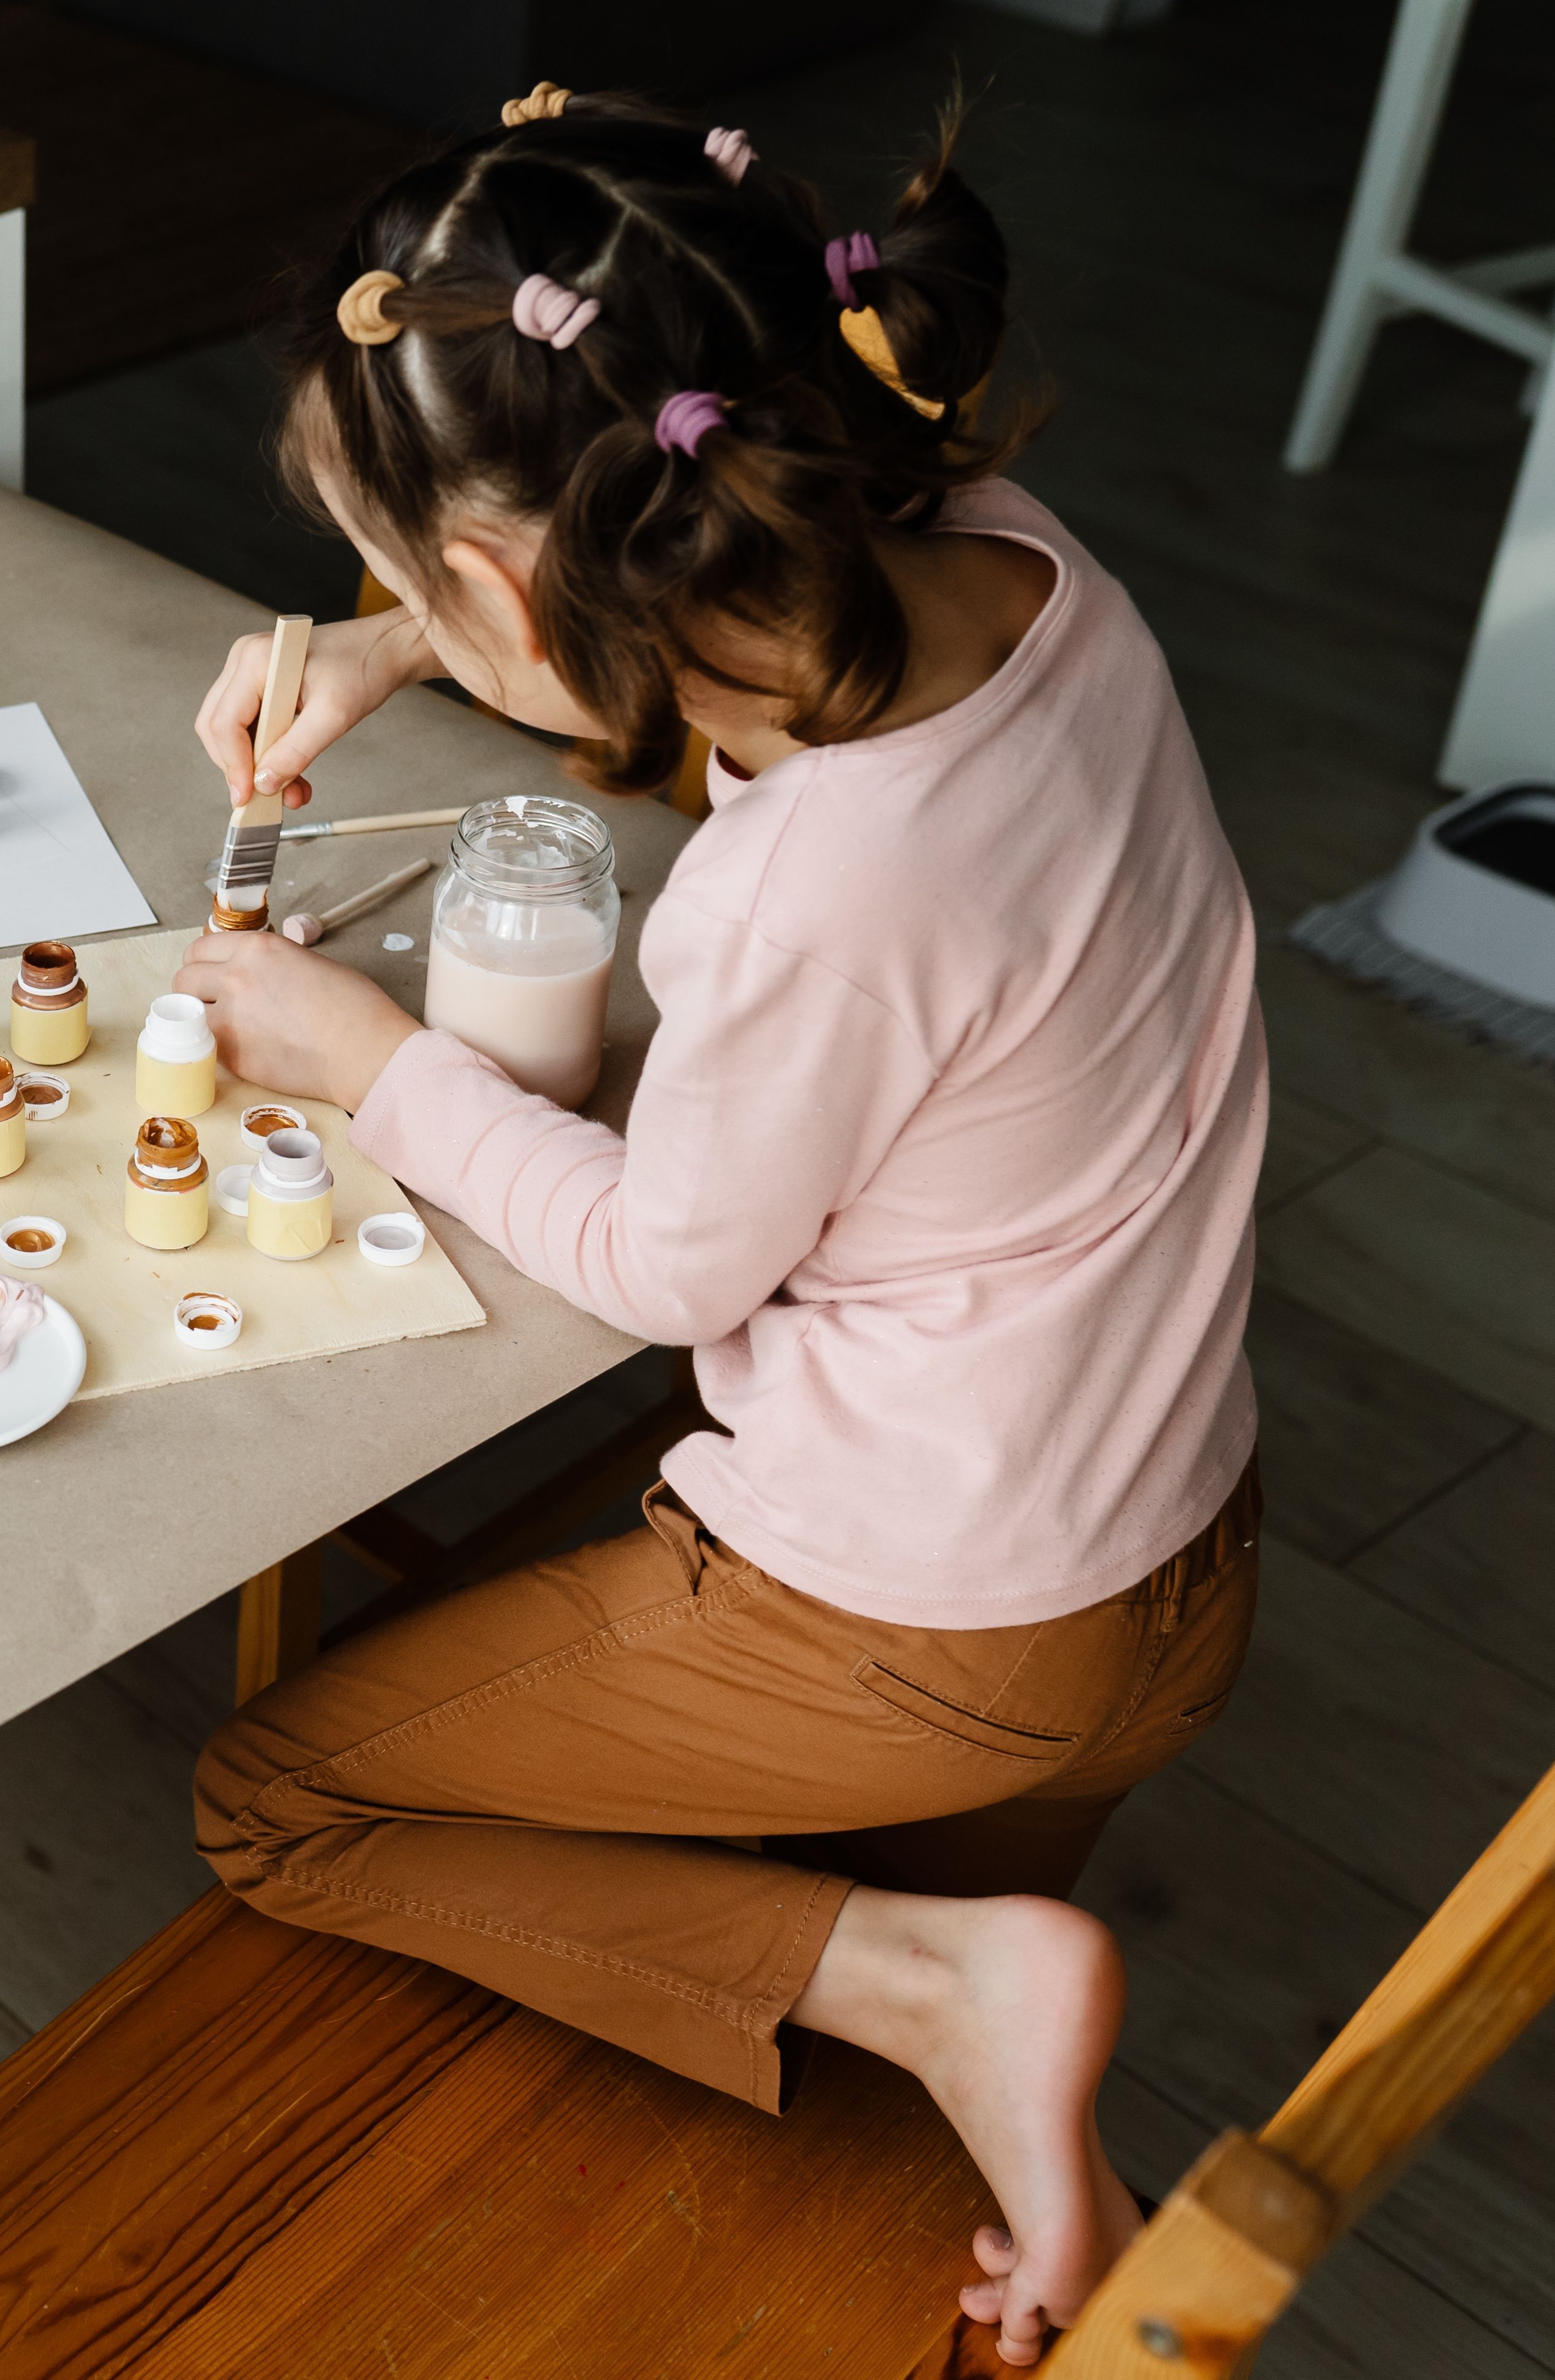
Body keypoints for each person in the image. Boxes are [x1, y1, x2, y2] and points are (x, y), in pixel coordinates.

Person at [174, 89, 1264, 2367]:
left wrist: (367, 1060)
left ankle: (932, 1979)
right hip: (1174, 1541)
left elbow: (676, 1267)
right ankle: (975, 2033)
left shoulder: (810, 885)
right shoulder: (1006, 554)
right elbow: (712, 660)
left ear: (510, 577)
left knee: (276, 1798)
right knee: (865, 2048)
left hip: (935, 1625)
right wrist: (396, 643)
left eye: (413, 575)